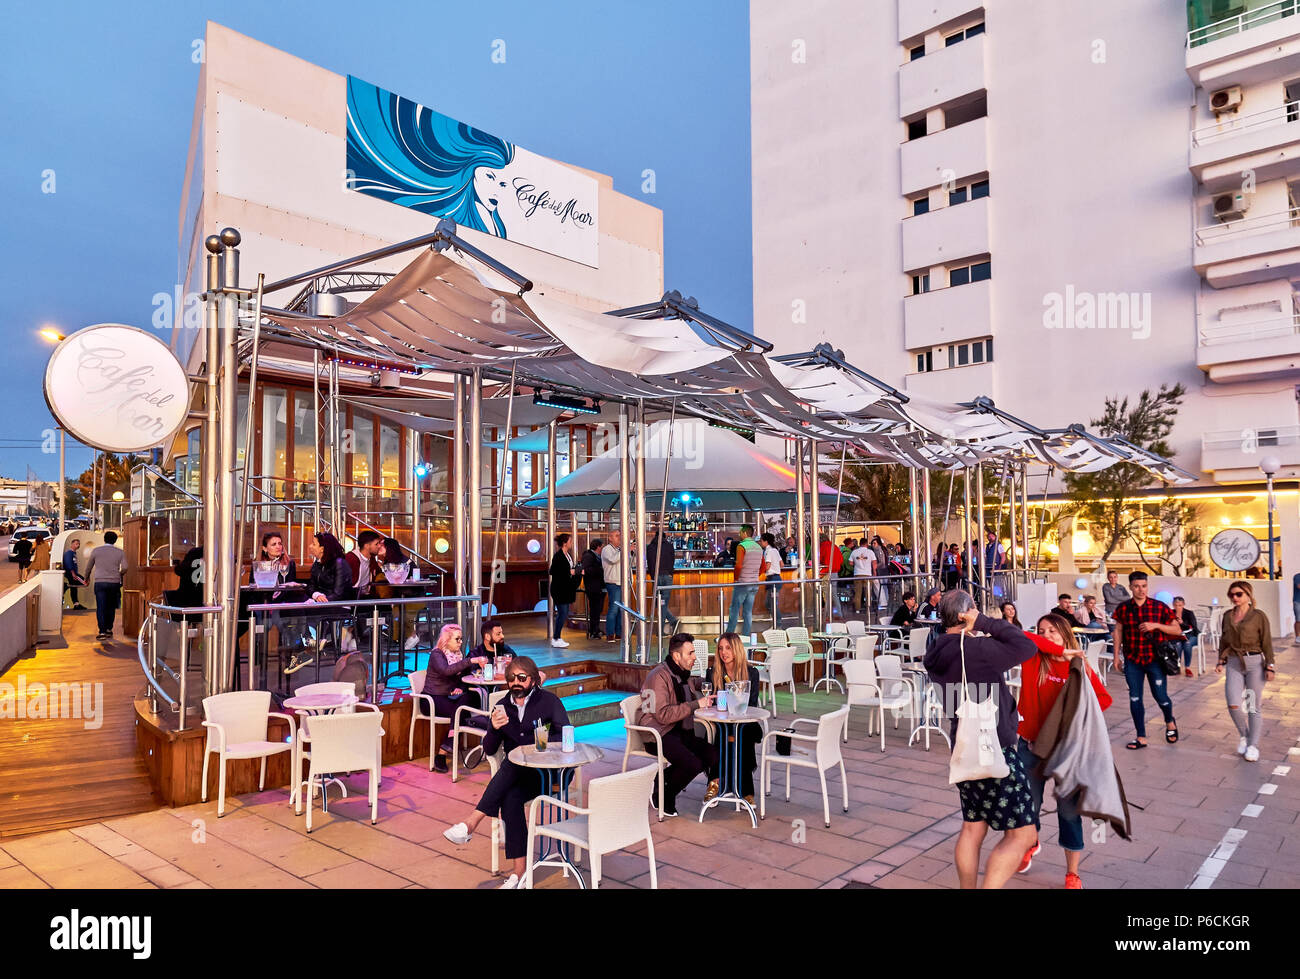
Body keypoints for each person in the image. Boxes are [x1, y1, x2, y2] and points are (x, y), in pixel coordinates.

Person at [923, 589, 1039, 889]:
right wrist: (985, 622)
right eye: (973, 609)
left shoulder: (936, 651)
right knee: (1023, 834)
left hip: (964, 745)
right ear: (966, 614)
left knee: (973, 827)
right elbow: (1025, 647)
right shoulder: (975, 650)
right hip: (994, 746)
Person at [442, 656, 570, 888]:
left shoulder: (549, 701)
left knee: (513, 762)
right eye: (511, 678)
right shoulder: (502, 706)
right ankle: (519, 875)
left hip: (547, 773)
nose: (516, 683)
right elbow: (490, 750)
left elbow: (565, 736)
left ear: (533, 680)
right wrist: (493, 727)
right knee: (510, 797)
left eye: (522, 678)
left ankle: (471, 822)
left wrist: (540, 741)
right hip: (518, 776)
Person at [1016, 613, 1112, 889]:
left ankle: (1072, 872)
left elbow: (1101, 701)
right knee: (1026, 807)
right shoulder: (1033, 659)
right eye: (1042, 631)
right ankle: (1031, 842)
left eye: (1053, 632)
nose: (1046, 636)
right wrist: (1054, 647)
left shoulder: (1078, 667)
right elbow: (1021, 635)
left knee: (1069, 814)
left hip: (1067, 754)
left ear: (1066, 633)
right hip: (1031, 746)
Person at [637, 632, 719, 815]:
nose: (694, 657)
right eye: (690, 653)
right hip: (658, 733)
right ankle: (663, 796)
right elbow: (663, 715)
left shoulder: (681, 674)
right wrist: (696, 704)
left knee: (713, 755)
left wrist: (715, 679)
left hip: (680, 731)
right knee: (692, 764)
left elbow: (694, 683)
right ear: (676, 656)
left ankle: (662, 779)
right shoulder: (659, 676)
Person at [1111, 570, 1181, 750]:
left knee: (1161, 696)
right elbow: (1118, 631)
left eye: (1144, 586)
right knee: (1135, 698)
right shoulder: (1124, 608)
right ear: (1130, 587)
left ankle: (1169, 721)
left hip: (1154, 660)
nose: (1141, 590)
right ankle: (1141, 736)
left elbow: (1177, 630)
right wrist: (1116, 656)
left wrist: (1156, 625)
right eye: (1136, 586)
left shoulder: (1159, 607)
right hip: (1133, 659)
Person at [1216, 580, 1275, 763]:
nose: (1234, 597)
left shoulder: (1258, 616)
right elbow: (1224, 640)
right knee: (1233, 704)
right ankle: (1245, 735)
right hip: (1234, 662)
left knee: (1251, 706)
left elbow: (1267, 642)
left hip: (1254, 664)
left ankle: (1252, 745)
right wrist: (1220, 660)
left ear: (1248, 595)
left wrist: (1270, 665)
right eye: (1231, 594)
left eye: (1238, 594)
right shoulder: (1227, 616)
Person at [421, 623, 490, 773]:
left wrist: (459, 687)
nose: (460, 642)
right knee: (461, 709)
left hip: (448, 697)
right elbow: (447, 671)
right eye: (457, 639)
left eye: (461, 639)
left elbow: (462, 677)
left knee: (472, 697)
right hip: (432, 699)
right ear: (446, 640)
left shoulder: (458, 655)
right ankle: (444, 751)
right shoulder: (437, 654)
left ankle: (445, 748)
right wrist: (470, 660)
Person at [290, 532, 355, 675]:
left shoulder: (340, 563)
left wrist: (320, 601)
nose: (310, 546)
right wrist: (316, 595)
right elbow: (311, 586)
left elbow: (339, 593)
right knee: (293, 608)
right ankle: (305, 646)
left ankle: (306, 648)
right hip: (321, 604)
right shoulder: (317, 564)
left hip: (339, 606)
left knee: (300, 610)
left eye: (314, 543)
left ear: (323, 548)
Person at [711, 632, 762, 802]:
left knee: (742, 735)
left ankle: (745, 790)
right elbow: (712, 704)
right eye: (720, 649)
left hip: (745, 721)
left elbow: (752, 704)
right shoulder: (714, 673)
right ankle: (716, 784)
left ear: (737, 650)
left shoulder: (751, 673)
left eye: (728, 648)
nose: (723, 652)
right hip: (721, 721)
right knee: (721, 733)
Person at [83, 531, 126, 641]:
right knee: (111, 606)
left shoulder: (96, 551)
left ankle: (102, 631)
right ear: (115, 540)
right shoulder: (120, 552)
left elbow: (89, 567)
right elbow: (125, 567)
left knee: (101, 607)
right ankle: (108, 629)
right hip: (114, 583)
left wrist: (86, 578)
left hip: (100, 582)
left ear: (104, 539)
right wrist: (119, 574)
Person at [725, 524, 761, 636]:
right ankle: (746, 636)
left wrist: (736, 579)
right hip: (754, 583)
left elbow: (739, 565)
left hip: (743, 582)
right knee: (748, 612)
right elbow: (763, 566)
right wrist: (755, 575)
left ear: (745, 533)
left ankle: (729, 635)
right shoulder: (758, 547)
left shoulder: (742, 546)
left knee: (734, 609)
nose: (739, 534)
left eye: (740, 532)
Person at [645, 525, 681, 634]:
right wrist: (670, 573)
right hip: (667, 577)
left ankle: (671, 621)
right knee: (663, 603)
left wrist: (653, 576)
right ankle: (664, 627)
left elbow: (650, 563)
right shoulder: (669, 546)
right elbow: (672, 561)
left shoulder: (650, 547)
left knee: (659, 603)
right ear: (665, 537)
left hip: (656, 577)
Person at [548, 533, 581, 647]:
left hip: (565, 588)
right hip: (559, 589)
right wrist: (569, 572)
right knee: (562, 613)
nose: (571, 543)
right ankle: (556, 638)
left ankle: (557, 637)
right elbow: (553, 571)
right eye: (570, 541)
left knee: (564, 612)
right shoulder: (558, 556)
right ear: (565, 543)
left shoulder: (568, 555)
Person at [579, 537, 606, 639]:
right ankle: (593, 631)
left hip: (598, 587)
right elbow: (586, 570)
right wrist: (600, 569)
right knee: (595, 609)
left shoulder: (594, 556)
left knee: (597, 609)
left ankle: (595, 628)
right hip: (593, 587)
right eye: (602, 547)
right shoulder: (588, 556)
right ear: (598, 547)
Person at [345, 529, 383, 597]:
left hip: (365, 596)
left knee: (386, 605)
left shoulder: (371, 559)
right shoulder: (351, 558)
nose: (379, 546)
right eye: (377, 544)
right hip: (352, 597)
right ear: (367, 546)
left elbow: (379, 573)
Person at [601, 530, 623, 644]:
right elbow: (613, 560)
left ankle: (619, 634)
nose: (619, 537)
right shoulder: (606, 549)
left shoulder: (620, 549)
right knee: (613, 609)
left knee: (621, 610)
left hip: (623, 582)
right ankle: (610, 634)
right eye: (617, 536)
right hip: (613, 582)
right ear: (610, 538)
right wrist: (625, 550)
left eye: (620, 535)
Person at [760, 532, 784, 627]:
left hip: (772, 579)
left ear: (766, 541)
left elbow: (767, 565)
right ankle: (776, 624)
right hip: (777, 578)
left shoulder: (768, 551)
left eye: (761, 541)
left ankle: (778, 624)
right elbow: (781, 564)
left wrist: (759, 570)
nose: (760, 543)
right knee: (770, 603)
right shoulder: (775, 550)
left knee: (770, 604)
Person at [1170, 596, 1199, 677]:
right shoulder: (1171, 613)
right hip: (1177, 636)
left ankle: (1187, 667)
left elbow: (1193, 627)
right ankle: (1177, 666)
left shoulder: (1189, 613)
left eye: (1180, 605)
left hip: (1191, 636)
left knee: (1187, 644)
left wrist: (1182, 623)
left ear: (1183, 605)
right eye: (1175, 605)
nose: (1177, 607)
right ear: (1173, 605)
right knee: (1178, 645)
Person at [848, 538, 877, 612]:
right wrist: (874, 572)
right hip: (867, 574)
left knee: (858, 593)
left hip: (857, 574)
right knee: (868, 593)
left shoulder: (854, 552)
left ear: (859, 543)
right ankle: (868, 609)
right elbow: (874, 563)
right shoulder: (870, 552)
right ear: (866, 544)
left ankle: (857, 610)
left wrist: (857, 564)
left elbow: (850, 563)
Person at [62, 538, 87, 610]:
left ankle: (76, 604)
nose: (78, 545)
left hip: (74, 573)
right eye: (76, 544)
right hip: (71, 573)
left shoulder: (74, 553)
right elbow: (68, 563)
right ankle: (66, 586)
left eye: (79, 544)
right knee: (85, 582)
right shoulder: (69, 553)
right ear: (72, 544)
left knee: (74, 588)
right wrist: (72, 573)